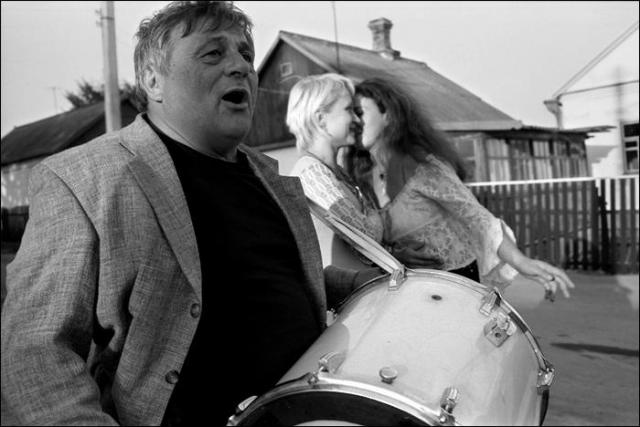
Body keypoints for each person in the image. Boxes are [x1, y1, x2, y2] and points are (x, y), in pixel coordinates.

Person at [0, 3, 380, 426]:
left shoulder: (269, 177)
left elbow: (260, 277)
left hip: (314, 411)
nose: (241, 66)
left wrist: (358, 284)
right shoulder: (83, 179)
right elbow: (35, 355)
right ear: (153, 80)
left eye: (246, 54)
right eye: (213, 53)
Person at [349, 77, 575, 298]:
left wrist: (521, 261)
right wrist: (395, 255)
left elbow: (477, 217)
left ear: (388, 115)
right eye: (350, 114)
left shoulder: (422, 165)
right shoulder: (358, 176)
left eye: (359, 112)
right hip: (407, 289)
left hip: (456, 283)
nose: (354, 121)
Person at [287, 73, 437, 270]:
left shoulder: (337, 173)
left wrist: (395, 253)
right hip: (343, 290)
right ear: (321, 119)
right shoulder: (310, 174)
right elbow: (365, 238)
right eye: (349, 109)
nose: (358, 120)